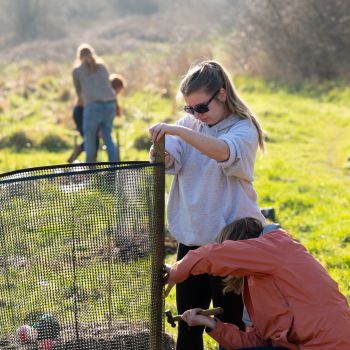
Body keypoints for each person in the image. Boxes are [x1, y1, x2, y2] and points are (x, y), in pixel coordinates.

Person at [149, 60, 266, 349]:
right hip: (192, 240)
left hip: (231, 244)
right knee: (188, 325)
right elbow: (169, 159)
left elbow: (223, 152)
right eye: (190, 109)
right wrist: (159, 152)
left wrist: (179, 131)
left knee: (232, 327)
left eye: (202, 107)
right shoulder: (188, 124)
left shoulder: (242, 128)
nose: (196, 116)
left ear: (222, 94)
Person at [164, 217, 350, 350]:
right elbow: (259, 343)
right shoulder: (259, 282)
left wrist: (177, 270)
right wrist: (211, 324)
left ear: (243, 245)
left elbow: (213, 255)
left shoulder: (273, 247)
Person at [72, 43, 118, 163]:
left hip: (93, 106)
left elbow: (79, 94)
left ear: (79, 56)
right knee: (107, 136)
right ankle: (115, 168)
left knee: (90, 139)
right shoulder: (102, 66)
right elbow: (108, 86)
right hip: (110, 104)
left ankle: (90, 169)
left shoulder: (77, 71)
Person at [67, 73, 126, 163]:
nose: (118, 93)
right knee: (92, 140)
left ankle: (79, 160)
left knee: (93, 140)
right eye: (118, 91)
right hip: (81, 112)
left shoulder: (107, 95)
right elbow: (91, 108)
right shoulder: (101, 93)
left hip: (88, 114)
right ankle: (77, 161)